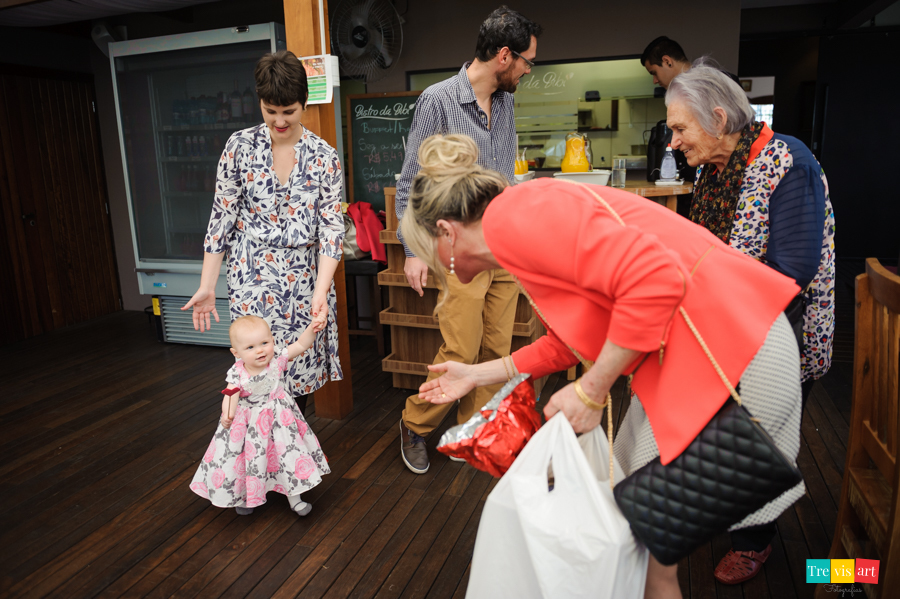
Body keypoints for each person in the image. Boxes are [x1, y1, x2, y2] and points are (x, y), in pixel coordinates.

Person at [400, 133, 806, 599]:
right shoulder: (521, 216)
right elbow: (574, 340)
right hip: (713, 355)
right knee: (642, 538)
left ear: (447, 232)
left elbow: (656, 279)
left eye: (433, 256)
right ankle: (858, 577)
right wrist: (477, 373)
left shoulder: (516, 218)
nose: (441, 270)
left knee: (647, 548)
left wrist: (592, 391)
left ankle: (857, 577)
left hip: (735, 358)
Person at [666, 61, 835, 585]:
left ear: (718, 118)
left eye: (678, 128)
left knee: (756, 440)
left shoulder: (787, 161)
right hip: (727, 330)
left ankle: (755, 543)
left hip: (779, 335)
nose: (672, 143)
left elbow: (792, 270)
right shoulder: (714, 170)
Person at [394, 6, 542, 475]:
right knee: (460, 348)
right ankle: (414, 426)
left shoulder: (506, 100)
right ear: (504, 56)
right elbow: (409, 181)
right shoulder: (438, 100)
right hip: (462, 250)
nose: (527, 70)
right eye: (526, 61)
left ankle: (472, 430)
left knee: (497, 351)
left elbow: (503, 176)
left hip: (505, 245)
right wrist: (413, 250)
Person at [182, 50, 344, 412]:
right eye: (271, 111)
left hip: (303, 282)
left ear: (304, 103)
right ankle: (259, 459)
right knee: (255, 376)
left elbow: (332, 230)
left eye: (289, 111)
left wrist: (321, 290)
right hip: (250, 279)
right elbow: (220, 219)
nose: (280, 120)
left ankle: (291, 453)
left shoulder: (324, 157)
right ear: (260, 103)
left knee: (297, 373)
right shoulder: (239, 147)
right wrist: (207, 285)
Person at [190, 315, 330, 516]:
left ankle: (295, 498)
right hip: (250, 424)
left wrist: (312, 329)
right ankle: (248, 497)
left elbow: (300, 345)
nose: (260, 350)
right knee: (251, 459)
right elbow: (230, 394)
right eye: (250, 347)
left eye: (264, 343)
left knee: (288, 455)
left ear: (272, 341)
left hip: (281, 419)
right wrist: (227, 415)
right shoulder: (238, 373)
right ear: (236, 353)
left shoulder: (277, 359)